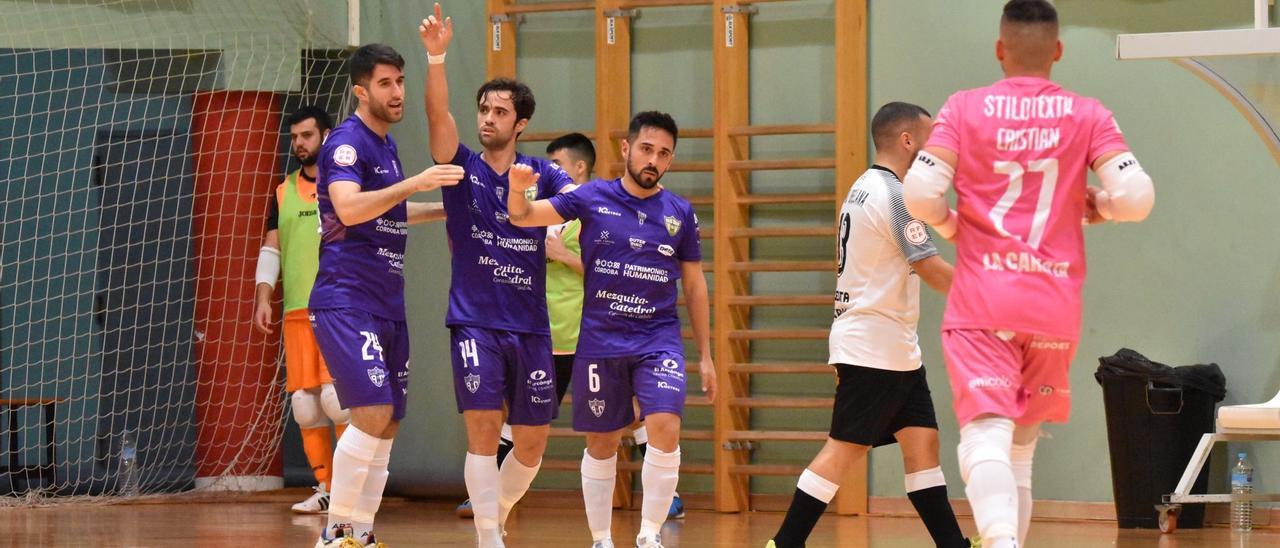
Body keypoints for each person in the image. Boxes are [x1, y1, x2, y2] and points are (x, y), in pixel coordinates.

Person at [903, 2, 1154, 547]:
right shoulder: (1088, 114)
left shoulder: (964, 109)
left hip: (982, 299)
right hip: (1053, 306)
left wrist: (952, 226)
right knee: (1021, 447)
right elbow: (1137, 199)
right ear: (1058, 51)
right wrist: (1100, 208)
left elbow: (919, 195)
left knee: (984, 436)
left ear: (1000, 49)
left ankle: (1000, 541)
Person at [507, 111, 716, 548]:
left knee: (665, 426)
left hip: (658, 338)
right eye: (646, 149)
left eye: (663, 154)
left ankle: (649, 535)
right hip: (601, 340)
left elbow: (695, 285)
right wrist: (515, 190)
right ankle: (602, 538)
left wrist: (707, 355)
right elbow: (524, 217)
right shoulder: (590, 197)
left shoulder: (680, 212)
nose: (653, 160)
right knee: (602, 443)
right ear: (626, 148)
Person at [767, 102, 970, 548]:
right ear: (907, 141)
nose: (936, 151)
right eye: (930, 139)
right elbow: (931, 267)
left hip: (894, 348)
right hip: (874, 348)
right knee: (845, 449)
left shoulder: (861, 187)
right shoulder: (896, 196)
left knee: (923, 444)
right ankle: (785, 543)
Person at [454, 133, 685, 521]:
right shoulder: (551, 213)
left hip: (588, 335)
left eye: (558, 165)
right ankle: (485, 496)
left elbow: (612, 274)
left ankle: (666, 498)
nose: (552, 172)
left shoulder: (597, 213)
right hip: (548, 335)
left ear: (579, 168)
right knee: (524, 417)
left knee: (636, 413)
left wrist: (561, 255)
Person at [420, 5, 576, 545]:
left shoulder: (544, 173)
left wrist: (551, 221)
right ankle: (490, 537)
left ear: (521, 122)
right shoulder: (460, 169)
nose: (488, 118)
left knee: (531, 445)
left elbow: (581, 200)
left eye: (499, 111)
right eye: (483, 109)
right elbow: (439, 120)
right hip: (475, 322)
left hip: (531, 326)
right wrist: (437, 57)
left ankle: (497, 513)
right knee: (484, 431)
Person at [311, 43, 464, 548]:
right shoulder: (347, 144)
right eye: (386, 83)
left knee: (389, 421)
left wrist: (447, 209)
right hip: (346, 298)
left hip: (385, 303)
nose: (398, 92)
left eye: (400, 81)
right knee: (371, 412)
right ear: (361, 90)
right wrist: (417, 181)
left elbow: (391, 211)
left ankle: (360, 531)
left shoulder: (386, 145)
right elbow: (350, 209)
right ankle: (335, 531)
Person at [252, 105, 352, 514]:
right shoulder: (282, 190)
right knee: (305, 406)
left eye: (306, 136)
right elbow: (272, 247)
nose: (299, 144)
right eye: (294, 137)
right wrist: (263, 295)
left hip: (337, 308)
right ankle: (326, 486)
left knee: (338, 401)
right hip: (296, 310)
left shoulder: (345, 186)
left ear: (326, 137)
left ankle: (351, 489)